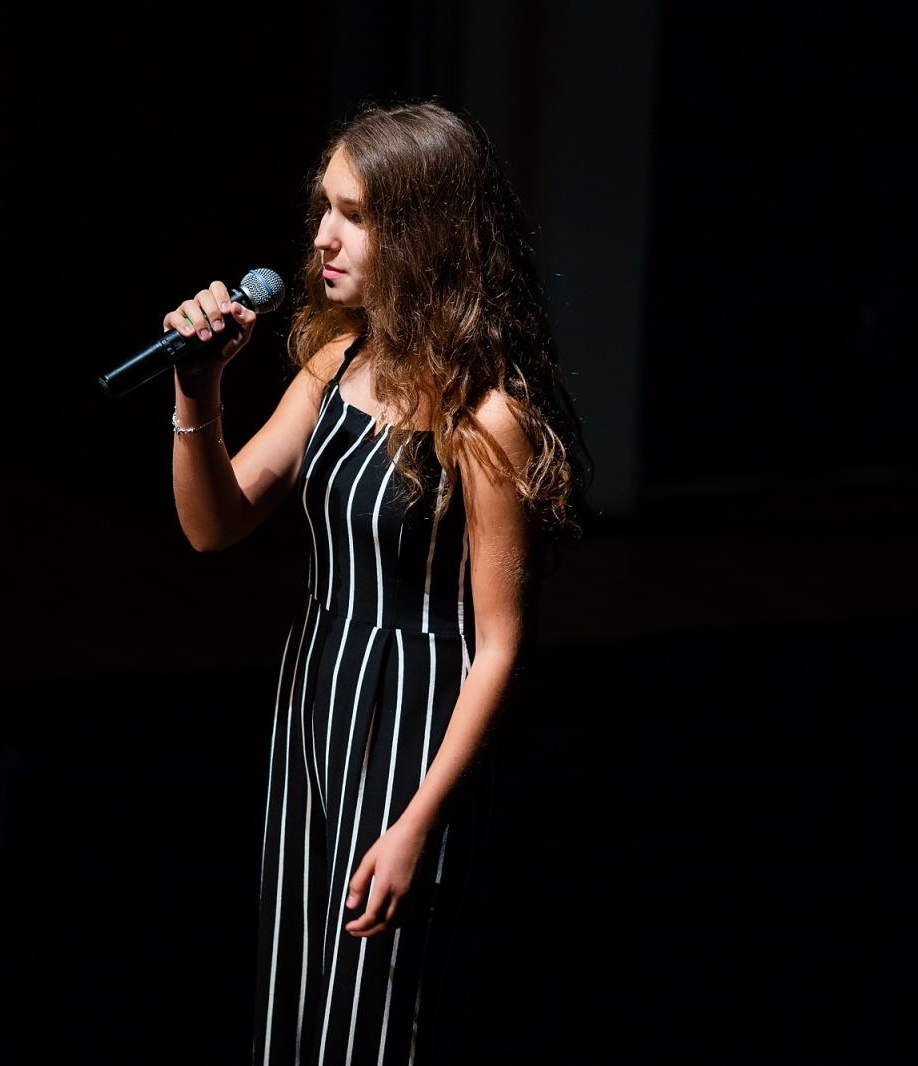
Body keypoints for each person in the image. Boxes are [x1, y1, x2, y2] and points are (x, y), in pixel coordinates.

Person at [165, 102, 587, 1065]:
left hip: (414, 720)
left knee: (376, 1019)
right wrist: (199, 394)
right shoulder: (332, 362)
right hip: (317, 692)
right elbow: (212, 525)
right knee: (293, 987)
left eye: (353, 214)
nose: (321, 236)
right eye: (325, 207)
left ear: (423, 231)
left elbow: (501, 646)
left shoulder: (486, 418)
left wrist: (417, 826)